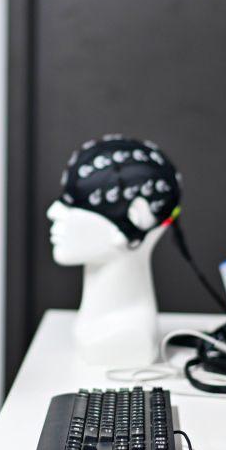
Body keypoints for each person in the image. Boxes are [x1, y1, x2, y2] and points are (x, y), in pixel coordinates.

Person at [46, 136, 181, 365]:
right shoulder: (90, 327)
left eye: (76, 203)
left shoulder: (131, 337)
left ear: (136, 217)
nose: (53, 211)